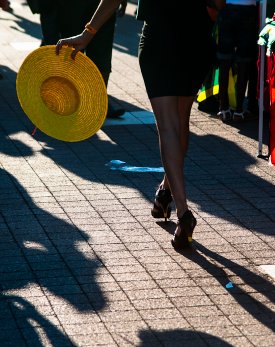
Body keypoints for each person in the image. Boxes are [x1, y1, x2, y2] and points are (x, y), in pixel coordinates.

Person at [56, 0, 225, 250]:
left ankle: (183, 213)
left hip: (161, 39)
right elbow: (219, 3)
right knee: (180, 123)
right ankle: (165, 192)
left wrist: (87, 33)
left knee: (168, 127)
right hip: (196, 38)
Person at [216, 0, 258, 122]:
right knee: (243, 62)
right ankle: (239, 110)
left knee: (224, 61)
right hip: (248, 10)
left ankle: (223, 108)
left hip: (228, 9)